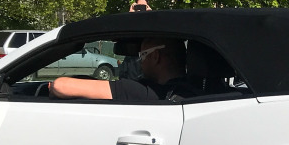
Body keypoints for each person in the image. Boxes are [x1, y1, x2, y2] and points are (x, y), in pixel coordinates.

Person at [50, 38, 193, 102]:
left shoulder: (139, 91)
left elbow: (61, 86)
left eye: (142, 55)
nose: (140, 61)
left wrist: (50, 88)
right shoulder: (192, 90)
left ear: (155, 56)